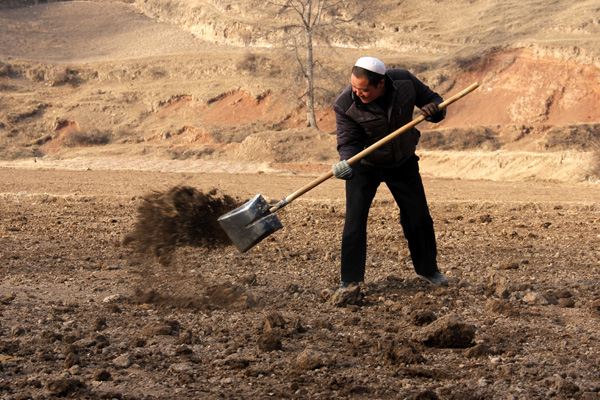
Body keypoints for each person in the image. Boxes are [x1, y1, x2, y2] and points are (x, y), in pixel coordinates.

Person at [332, 56, 448, 289]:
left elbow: (435, 101)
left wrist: (433, 110)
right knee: (354, 222)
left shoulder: (404, 81)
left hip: (402, 162)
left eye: (363, 89)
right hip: (365, 166)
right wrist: (347, 162)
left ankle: (429, 271)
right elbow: (348, 142)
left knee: (418, 217)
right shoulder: (345, 104)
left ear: (380, 84)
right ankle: (350, 281)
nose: (357, 93)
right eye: (354, 87)